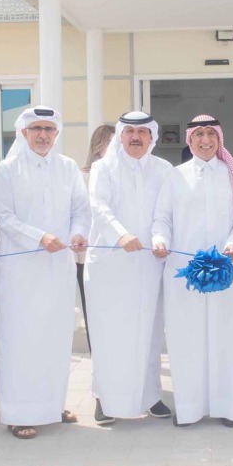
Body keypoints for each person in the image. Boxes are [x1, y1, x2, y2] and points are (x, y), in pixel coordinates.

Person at [0, 107, 90, 437]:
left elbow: (81, 210)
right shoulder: (7, 169)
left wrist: (78, 234)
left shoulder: (68, 167)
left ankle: (51, 406)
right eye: (37, 129)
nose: (43, 135)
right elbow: (4, 217)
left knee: (55, 336)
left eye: (49, 129)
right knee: (22, 340)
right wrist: (40, 237)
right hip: (21, 270)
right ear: (24, 133)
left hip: (58, 267)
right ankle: (19, 413)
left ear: (56, 134)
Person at [152, 115, 233, 426]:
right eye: (199, 134)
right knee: (187, 338)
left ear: (219, 138)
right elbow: (162, 218)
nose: (205, 140)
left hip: (226, 270)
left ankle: (228, 407)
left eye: (211, 134)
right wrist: (160, 240)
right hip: (185, 272)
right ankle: (189, 408)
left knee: (227, 337)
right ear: (190, 139)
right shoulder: (175, 176)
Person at [85, 112, 173, 425]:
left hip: (149, 265)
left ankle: (151, 396)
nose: (136, 138)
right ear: (121, 136)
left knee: (149, 332)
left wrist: (161, 239)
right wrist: (120, 234)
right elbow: (99, 207)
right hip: (110, 266)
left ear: (152, 137)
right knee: (110, 334)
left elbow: (165, 214)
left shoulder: (164, 170)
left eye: (142, 132)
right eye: (130, 132)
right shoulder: (103, 168)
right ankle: (105, 398)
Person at [78, 123, 116, 352]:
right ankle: (98, 355)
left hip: (116, 253)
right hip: (87, 254)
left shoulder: (120, 176)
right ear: (98, 145)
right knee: (92, 308)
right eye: (109, 142)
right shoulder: (83, 177)